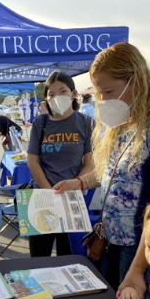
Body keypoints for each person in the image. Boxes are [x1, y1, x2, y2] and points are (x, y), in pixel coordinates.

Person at [54, 43, 150, 291]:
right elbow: (115, 172)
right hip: (110, 238)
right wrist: (81, 182)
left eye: (109, 91)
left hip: (139, 247)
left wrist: (137, 270)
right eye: (99, 93)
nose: (104, 100)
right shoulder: (126, 121)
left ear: (137, 80)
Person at [27, 71, 94, 257]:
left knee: (68, 257)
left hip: (72, 199)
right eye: (51, 94)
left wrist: (76, 184)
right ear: (46, 98)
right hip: (42, 197)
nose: (57, 97)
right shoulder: (41, 123)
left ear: (73, 93)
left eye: (63, 91)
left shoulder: (86, 123)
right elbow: (32, 161)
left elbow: (90, 162)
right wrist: (50, 192)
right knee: (39, 259)